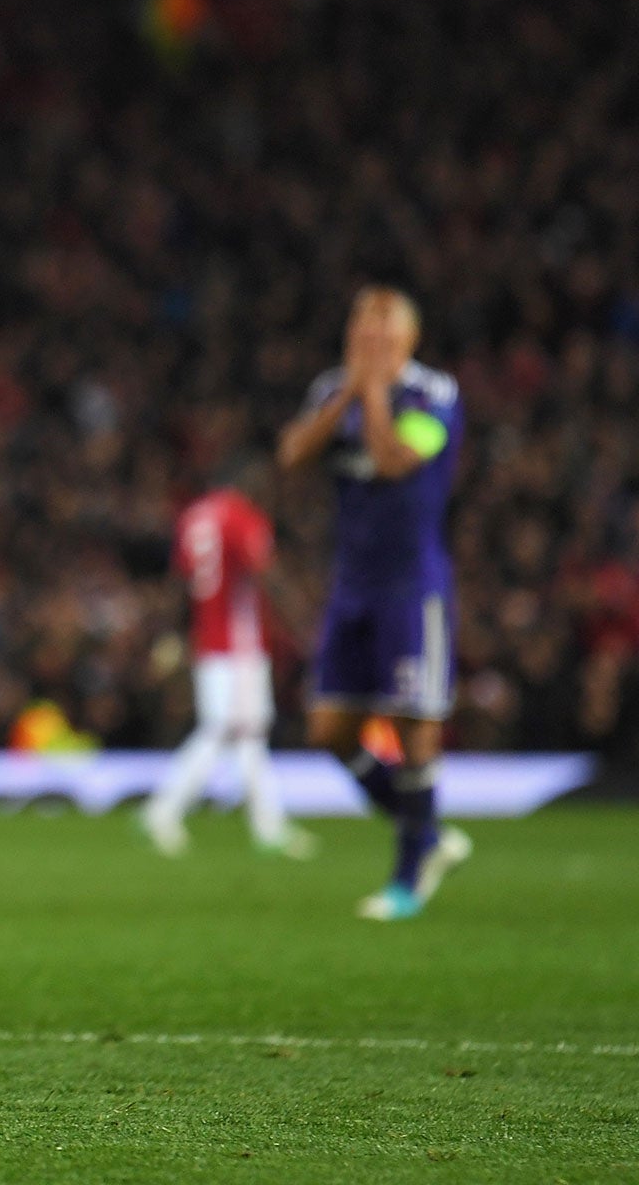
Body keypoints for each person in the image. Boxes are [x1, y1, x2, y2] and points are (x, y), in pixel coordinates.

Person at [277, 286, 471, 920]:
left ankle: (408, 879)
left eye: (383, 337)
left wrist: (375, 394)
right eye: (361, 335)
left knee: (416, 730)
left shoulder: (432, 396)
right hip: (352, 587)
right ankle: (428, 830)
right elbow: (292, 453)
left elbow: (393, 461)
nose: (369, 347)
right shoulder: (334, 390)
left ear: (407, 342)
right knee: (329, 730)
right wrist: (347, 397)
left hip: (413, 588)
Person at [139, 466, 316, 859]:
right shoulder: (242, 517)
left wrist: (172, 633)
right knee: (222, 730)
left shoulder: (194, 517)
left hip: (209, 639)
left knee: (248, 733)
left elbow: (180, 583)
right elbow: (266, 572)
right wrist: (303, 623)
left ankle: (267, 826)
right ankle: (162, 810)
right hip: (239, 643)